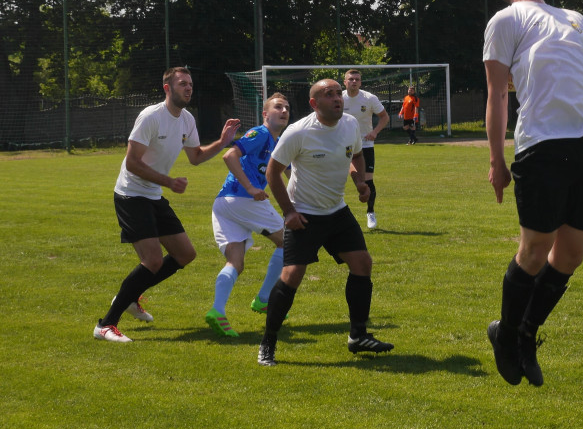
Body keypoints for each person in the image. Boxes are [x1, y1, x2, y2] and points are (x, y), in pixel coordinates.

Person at [483, 0, 583, 387]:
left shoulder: (575, 19)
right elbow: (497, 96)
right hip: (540, 145)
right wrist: (497, 160)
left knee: (571, 254)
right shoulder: (505, 21)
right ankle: (507, 335)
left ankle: (526, 332)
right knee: (534, 249)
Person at [94, 67, 241, 343]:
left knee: (185, 254)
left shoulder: (187, 119)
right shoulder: (151, 117)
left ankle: (130, 297)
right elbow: (132, 162)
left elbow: (195, 156)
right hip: (131, 194)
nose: (188, 88)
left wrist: (222, 142)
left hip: (153, 195)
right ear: (167, 88)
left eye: (190, 85)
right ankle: (105, 324)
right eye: (182, 84)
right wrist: (168, 181)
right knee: (152, 260)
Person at [257, 78, 394, 366]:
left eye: (337, 93)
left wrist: (360, 181)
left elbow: (356, 154)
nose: (336, 98)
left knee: (362, 264)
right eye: (328, 94)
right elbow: (273, 173)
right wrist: (289, 213)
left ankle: (358, 336)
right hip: (305, 214)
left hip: (337, 211)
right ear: (313, 103)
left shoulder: (350, 124)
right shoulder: (298, 132)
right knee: (291, 276)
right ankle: (268, 342)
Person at [205, 92, 291, 337]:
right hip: (241, 199)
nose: (284, 111)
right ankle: (264, 298)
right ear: (265, 114)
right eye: (278, 107)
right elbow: (229, 155)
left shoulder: (276, 143)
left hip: (224, 204)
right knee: (288, 242)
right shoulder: (261, 133)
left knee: (235, 262)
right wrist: (252, 188)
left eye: (287, 108)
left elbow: (289, 173)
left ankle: (217, 311)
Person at [342, 69, 389, 230]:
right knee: (335, 180)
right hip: (341, 145)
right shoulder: (339, 98)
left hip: (365, 145)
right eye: (351, 79)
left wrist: (375, 132)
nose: (354, 81)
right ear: (345, 82)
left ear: (360, 82)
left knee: (367, 181)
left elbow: (385, 117)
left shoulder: (369, 98)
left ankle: (370, 212)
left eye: (357, 79)